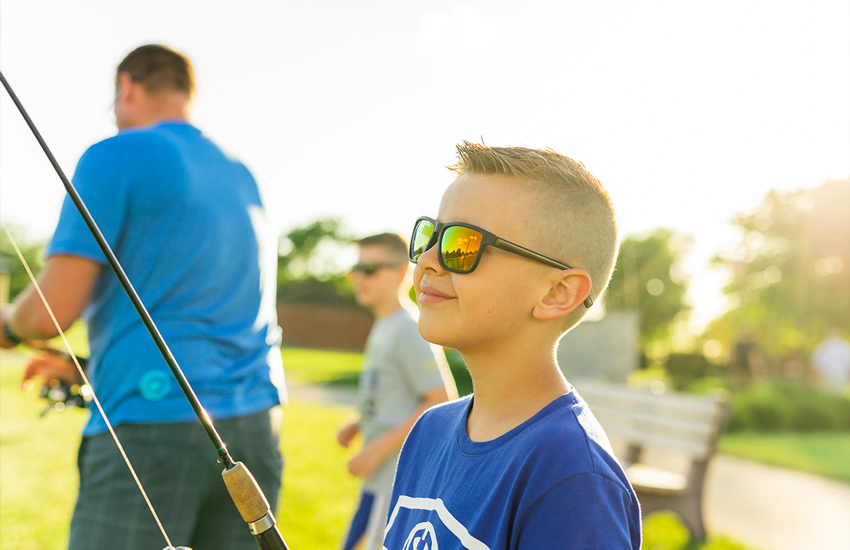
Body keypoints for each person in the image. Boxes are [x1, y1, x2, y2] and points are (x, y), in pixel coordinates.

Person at [0, 45, 286, 550]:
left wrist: (8, 324)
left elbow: (50, 312)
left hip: (151, 430)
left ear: (127, 86)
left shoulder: (114, 153)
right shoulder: (241, 173)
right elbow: (198, 317)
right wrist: (89, 366)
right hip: (256, 431)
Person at [381, 143, 642, 548]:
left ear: (557, 292)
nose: (428, 260)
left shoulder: (571, 476)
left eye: (462, 245)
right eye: (429, 235)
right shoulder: (428, 431)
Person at [337, 233, 457, 550]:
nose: (359, 277)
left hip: (393, 476)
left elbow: (439, 401)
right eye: (356, 269)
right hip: (376, 476)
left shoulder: (408, 328)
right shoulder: (385, 324)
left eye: (370, 269)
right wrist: (359, 423)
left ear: (401, 273)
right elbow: (391, 395)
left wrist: (376, 450)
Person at [810, 328, 850, 394]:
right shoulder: (846, 346)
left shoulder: (822, 346)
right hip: (840, 379)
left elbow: (816, 365)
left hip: (828, 379)